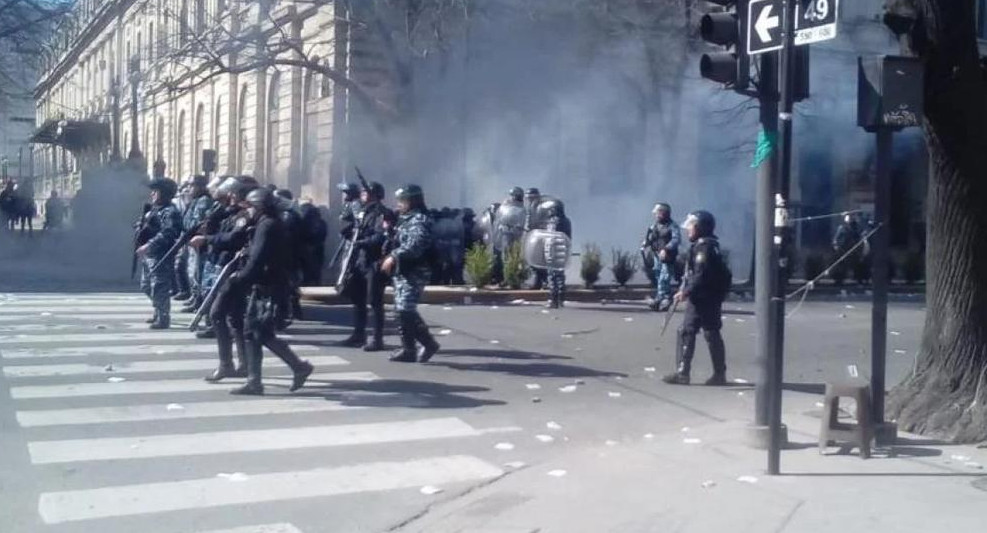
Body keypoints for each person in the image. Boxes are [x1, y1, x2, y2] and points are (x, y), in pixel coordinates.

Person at [228, 187, 315, 396]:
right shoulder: (267, 223)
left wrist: (239, 280)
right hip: (266, 285)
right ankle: (258, 380)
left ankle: (296, 367)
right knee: (254, 333)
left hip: (270, 287)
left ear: (258, 207)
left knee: (259, 332)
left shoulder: (267, 226)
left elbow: (257, 260)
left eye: (249, 207)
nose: (246, 210)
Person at [190, 177, 254, 378]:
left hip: (234, 269)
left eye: (234, 194)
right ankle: (242, 364)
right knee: (234, 318)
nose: (231, 197)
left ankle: (228, 364)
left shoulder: (245, 216)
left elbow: (233, 239)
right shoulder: (231, 213)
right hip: (225, 267)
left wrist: (207, 239)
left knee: (218, 314)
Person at [663, 210, 731, 386]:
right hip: (711, 296)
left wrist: (686, 292)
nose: (688, 230)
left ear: (701, 228)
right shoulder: (710, 245)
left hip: (701, 297)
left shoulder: (704, 247)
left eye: (692, 227)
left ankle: (683, 373)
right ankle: (719, 374)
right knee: (711, 332)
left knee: (687, 331)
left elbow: (701, 274)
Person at [381, 184, 440, 363]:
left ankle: (416, 347)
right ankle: (415, 346)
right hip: (404, 270)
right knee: (401, 310)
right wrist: (389, 228)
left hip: (415, 270)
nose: (398, 204)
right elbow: (398, 238)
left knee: (405, 309)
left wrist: (393, 256)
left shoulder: (419, 220)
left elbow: (415, 245)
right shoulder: (406, 218)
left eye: (402, 201)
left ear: (412, 201)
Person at [340, 181, 392, 351]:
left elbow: (381, 237)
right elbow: (354, 227)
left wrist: (361, 242)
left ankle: (377, 339)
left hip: (374, 261)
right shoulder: (363, 212)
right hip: (360, 260)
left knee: (375, 301)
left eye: (366, 193)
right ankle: (358, 334)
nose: (363, 195)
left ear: (375, 195)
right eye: (362, 193)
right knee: (357, 299)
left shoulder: (382, 213)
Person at [135, 178, 182, 329]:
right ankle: (158, 311)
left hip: (160, 254)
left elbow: (168, 232)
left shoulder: (170, 212)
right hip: (150, 255)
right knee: (146, 286)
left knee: (159, 286)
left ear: (165, 193)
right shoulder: (154, 209)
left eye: (156, 191)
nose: (153, 194)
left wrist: (149, 245)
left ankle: (163, 317)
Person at [181, 175, 215, 313]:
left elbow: (195, 223)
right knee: (192, 271)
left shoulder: (203, 201)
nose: (189, 188)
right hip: (193, 241)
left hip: (200, 243)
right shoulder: (195, 201)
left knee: (198, 272)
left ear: (200, 187)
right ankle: (195, 297)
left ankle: (199, 300)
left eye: (192, 185)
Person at [643, 203, 681, 312]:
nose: (656, 215)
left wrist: (666, 249)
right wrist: (646, 243)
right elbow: (651, 237)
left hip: (667, 256)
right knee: (658, 275)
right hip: (657, 254)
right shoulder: (655, 225)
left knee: (665, 276)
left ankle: (666, 298)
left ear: (664, 213)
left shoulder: (672, 226)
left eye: (658, 213)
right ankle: (659, 297)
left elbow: (676, 240)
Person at [276, 188, 305, 321]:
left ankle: (291, 310)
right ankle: (293, 309)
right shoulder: (292, 213)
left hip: (289, 255)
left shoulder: (288, 215)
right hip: (290, 254)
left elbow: (287, 235)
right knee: (290, 284)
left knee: (288, 284)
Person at [543, 200, 572, 309]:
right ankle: (560, 299)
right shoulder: (566, 221)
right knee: (559, 275)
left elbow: (551, 237)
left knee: (552, 275)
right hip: (560, 250)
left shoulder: (554, 222)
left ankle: (554, 299)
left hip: (554, 250)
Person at [299, 202, 328, 285]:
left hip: (308, 250)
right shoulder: (322, 222)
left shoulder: (305, 221)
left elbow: (303, 234)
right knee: (316, 272)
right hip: (318, 250)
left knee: (307, 273)